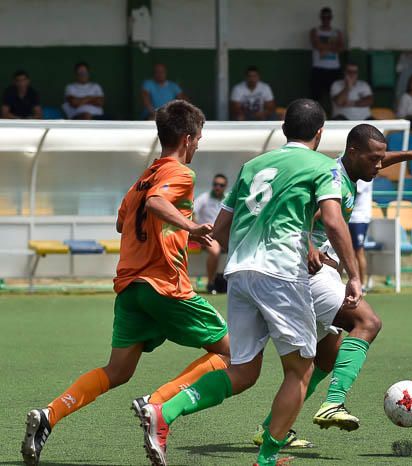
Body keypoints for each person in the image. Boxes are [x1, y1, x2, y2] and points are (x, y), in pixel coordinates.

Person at [138, 98, 362, 466]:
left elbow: (219, 233)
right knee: (301, 369)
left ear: (285, 130)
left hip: (239, 272)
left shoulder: (252, 166)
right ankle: (267, 459)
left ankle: (165, 410)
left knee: (243, 370)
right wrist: (353, 275)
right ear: (319, 134)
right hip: (281, 271)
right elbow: (334, 223)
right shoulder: (324, 166)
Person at [21, 100, 230, 466]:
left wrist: (170, 226)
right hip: (163, 285)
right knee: (234, 351)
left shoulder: (142, 178)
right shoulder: (180, 174)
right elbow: (155, 203)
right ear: (186, 138)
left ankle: (48, 416)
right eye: (198, 138)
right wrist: (190, 226)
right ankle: (158, 405)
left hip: (130, 289)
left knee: (117, 371)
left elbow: (124, 222)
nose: (198, 145)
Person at [250, 125, 412, 447]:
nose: (379, 166)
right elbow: (301, 215)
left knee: (327, 358)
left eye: (382, 159)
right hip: (308, 272)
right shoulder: (332, 178)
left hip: (312, 272)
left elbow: (377, 158)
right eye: (374, 160)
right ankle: (332, 403)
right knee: (367, 322)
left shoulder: (350, 172)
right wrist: (309, 246)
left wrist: (411, 155)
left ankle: (271, 431)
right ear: (352, 153)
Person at [194, 174, 228, 293]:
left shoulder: (227, 198)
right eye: (215, 184)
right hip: (207, 236)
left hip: (222, 235)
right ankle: (211, 283)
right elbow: (192, 213)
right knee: (215, 250)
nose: (218, 187)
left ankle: (230, 282)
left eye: (221, 185)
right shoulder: (204, 198)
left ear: (225, 186)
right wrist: (198, 230)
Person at [310, 6, 344, 113]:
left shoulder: (337, 32)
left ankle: (335, 116)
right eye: (324, 17)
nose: (326, 19)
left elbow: (340, 48)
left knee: (334, 95)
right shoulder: (315, 31)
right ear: (320, 17)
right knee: (316, 96)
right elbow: (316, 45)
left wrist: (324, 48)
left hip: (334, 69)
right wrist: (332, 46)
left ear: (331, 18)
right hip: (318, 68)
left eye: (328, 17)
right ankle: (315, 115)